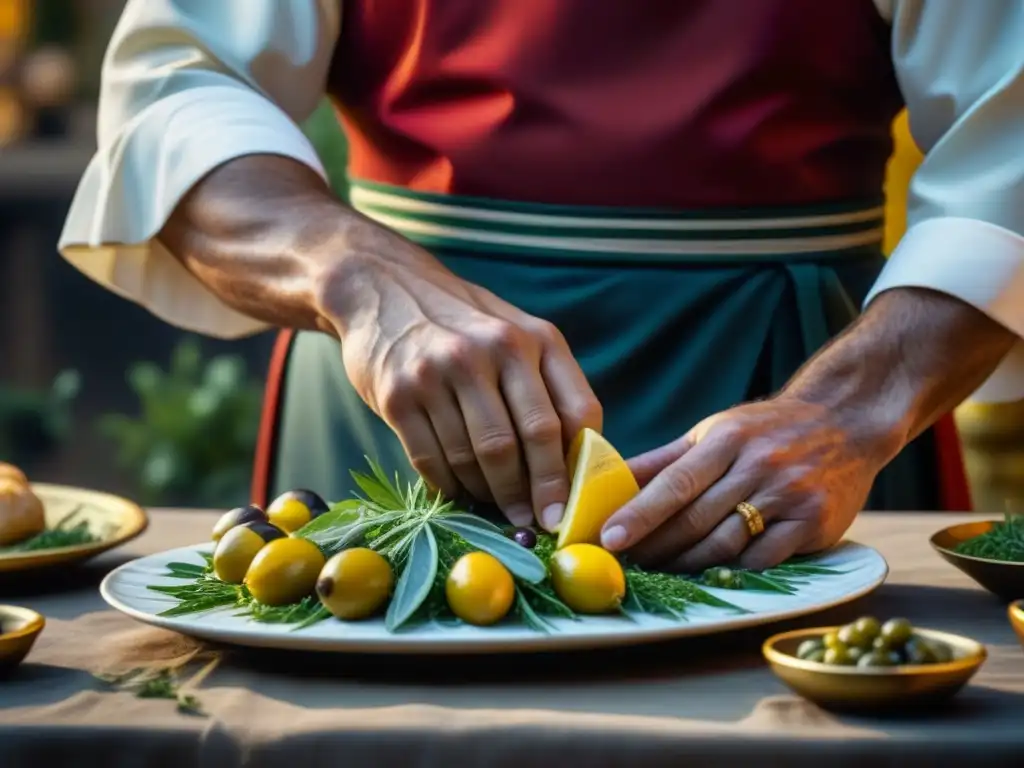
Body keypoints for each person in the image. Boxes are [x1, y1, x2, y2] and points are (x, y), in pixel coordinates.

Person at [59, 0, 1024, 572]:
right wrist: (353, 274)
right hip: (386, 408)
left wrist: (852, 413)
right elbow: (176, 88)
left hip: (795, 399)